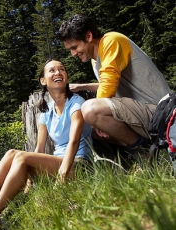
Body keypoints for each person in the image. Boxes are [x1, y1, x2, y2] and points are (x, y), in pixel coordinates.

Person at [0, 59, 93, 230]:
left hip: (78, 164)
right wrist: (31, 180)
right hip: (57, 163)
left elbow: (74, 141)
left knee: (21, 156)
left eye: (61, 69)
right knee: (11, 153)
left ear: (66, 77)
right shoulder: (46, 113)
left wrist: (62, 175)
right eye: (52, 70)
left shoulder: (76, 103)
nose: (58, 72)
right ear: (43, 80)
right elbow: (38, 151)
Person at [56, 14, 171, 151]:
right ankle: (133, 151)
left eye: (74, 47)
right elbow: (111, 83)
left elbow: (108, 85)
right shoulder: (95, 60)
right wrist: (83, 86)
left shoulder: (111, 40)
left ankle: (143, 150)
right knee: (83, 126)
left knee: (90, 110)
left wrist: (96, 121)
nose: (73, 54)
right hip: (143, 113)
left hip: (162, 112)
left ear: (88, 36)